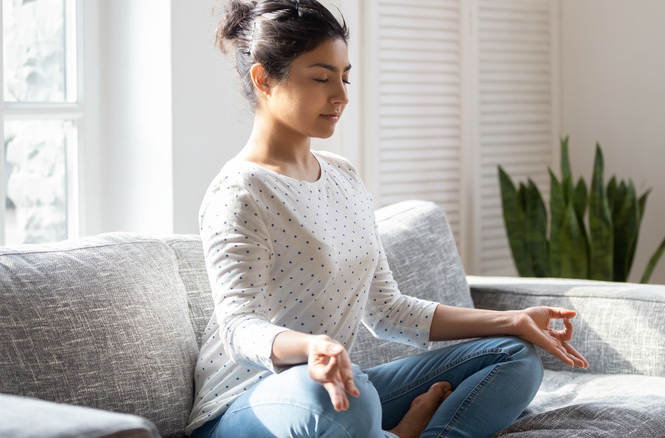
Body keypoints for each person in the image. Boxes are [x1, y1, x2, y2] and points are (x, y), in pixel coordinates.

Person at [187, 1, 589, 437]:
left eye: (345, 77)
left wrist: (511, 320)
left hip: (339, 390)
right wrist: (312, 348)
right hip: (247, 405)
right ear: (264, 78)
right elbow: (238, 327)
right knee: (338, 396)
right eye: (321, 78)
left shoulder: (343, 176)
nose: (341, 95)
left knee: (514, 356)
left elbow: (388, 310)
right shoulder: (240, 190)